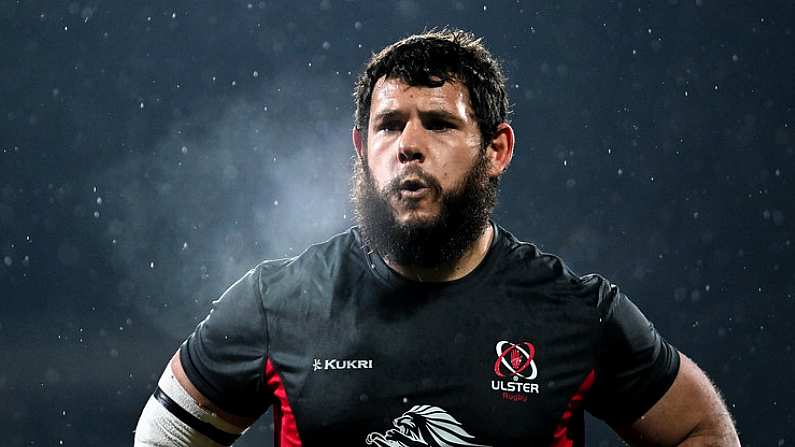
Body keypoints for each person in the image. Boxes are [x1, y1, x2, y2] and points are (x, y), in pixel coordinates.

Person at [134, 29, 740, 447]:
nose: (409, 146)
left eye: (440, 123)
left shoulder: (577, 316)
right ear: (361, 147)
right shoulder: (277, 304)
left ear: (497, 148)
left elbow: (699, 431)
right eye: (389, 124)